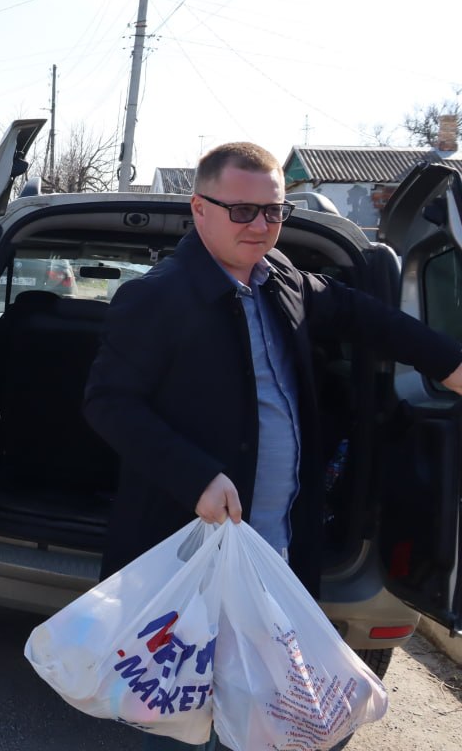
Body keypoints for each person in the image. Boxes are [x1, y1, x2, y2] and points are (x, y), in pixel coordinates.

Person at [83, 142, 462, 751]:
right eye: (241, 211)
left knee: (263, 709)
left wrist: (448, 362)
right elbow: (108, 404)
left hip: (278, 543)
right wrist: (197, 477)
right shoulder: (156, 297)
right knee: (175, 714)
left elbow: (365, 316)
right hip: (192, 551)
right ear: (198, 208)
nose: (260, 226)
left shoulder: (280, 278)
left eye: (274, 212)